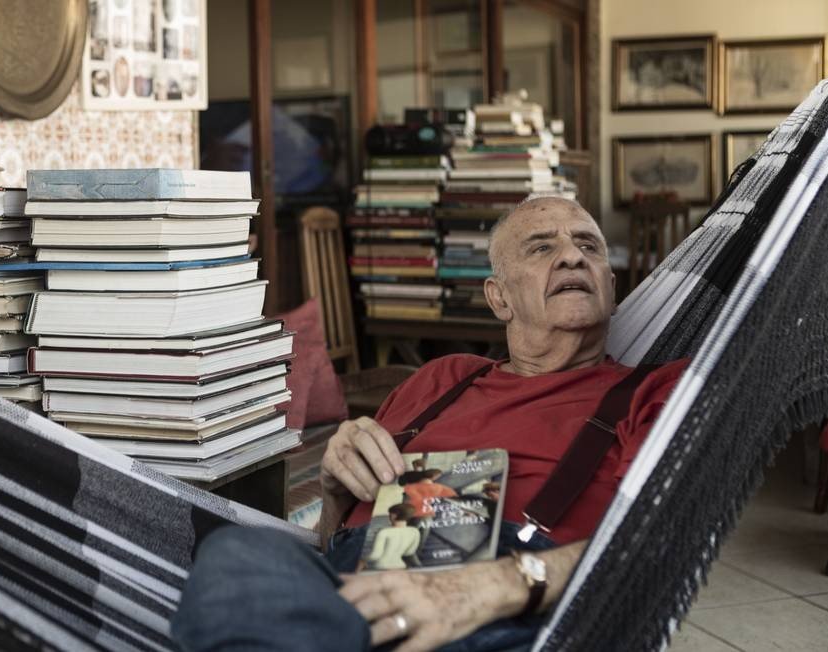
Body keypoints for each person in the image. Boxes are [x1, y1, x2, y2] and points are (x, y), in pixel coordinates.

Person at [171, 197, 688, 652]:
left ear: (611, 287)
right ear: (499, 298)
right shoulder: (443, 378)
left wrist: (489, 587)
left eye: (588, 246)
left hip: (507, 604)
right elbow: (333, 545)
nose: (573, 255)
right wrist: (333, 493)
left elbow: (663, 540)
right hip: (356, 591)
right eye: (540, 248)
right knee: (235, 556)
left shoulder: (655, 391)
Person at [363, 503, 422, 571]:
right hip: (401, 566)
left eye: (390, 514)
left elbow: (375, 555)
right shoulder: (415, 531)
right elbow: (409, 552)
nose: (389, 516)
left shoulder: (384, 532)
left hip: (382, 566)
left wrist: (363, 559)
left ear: (394, 515)